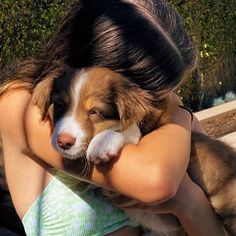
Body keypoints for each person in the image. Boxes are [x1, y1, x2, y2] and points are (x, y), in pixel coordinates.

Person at [0, 0, 227, 235]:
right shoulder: (21, 104)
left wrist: (190, 202)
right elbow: (157, 182)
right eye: (158, 96)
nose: (162, 104)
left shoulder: (148, 118)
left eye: (166, 95)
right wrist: (179, 114)